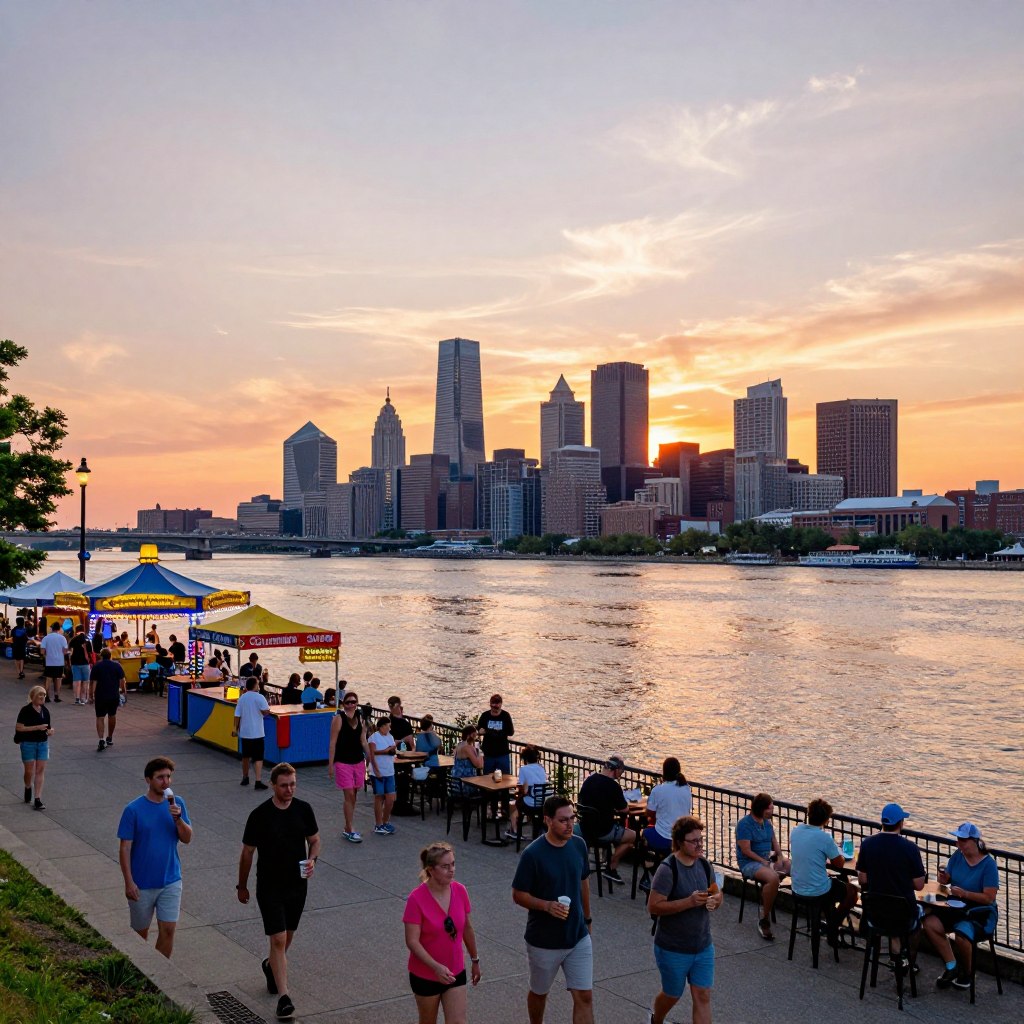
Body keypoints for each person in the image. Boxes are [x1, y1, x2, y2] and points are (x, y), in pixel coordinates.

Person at [238, 763, 320, 1022]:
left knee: (286, 938)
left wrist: (312, 859)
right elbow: (247, 853)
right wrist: (242, 886)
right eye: (284, 785)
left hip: (297, 885)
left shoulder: (303, 809)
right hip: (269, 885)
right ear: (273, 785)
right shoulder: (259, 815)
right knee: (278, 939)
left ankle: (270, 966)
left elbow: (315, 839)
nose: (289, 789)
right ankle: (285, 998)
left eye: (293, 784)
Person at [512, 795, 593, 1024]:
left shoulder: (579, 845)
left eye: (572, 818)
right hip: (544, 940)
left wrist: (587, 919)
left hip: (577, 936)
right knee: (539, 993)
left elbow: (583, 882)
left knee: (585, 996)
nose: (570, 825)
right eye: (563, 820)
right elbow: (518, 895)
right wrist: (546, 906)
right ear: (548, 820)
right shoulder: (533, 854)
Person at [647, 815, 722, 1024]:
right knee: (672, 994)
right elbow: (653, 906)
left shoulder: (705, 865)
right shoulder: (667, 869)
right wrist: (688, 902)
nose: (699, 845)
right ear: (680, 842)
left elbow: (716, 892)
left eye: (701, 839)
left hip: (703, 945)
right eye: (694, 841)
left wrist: (715, 900)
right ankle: (656, 1019)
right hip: (673, 948)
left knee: (702, 996)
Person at [117, 756, 193, 958]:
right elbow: (125, 848)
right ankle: (139, 974)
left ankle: (161, 974)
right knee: (139, 935)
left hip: (171, 880)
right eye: (160, 777)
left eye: (168, 777)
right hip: (141, 884)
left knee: (168, 930)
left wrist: (178, 820)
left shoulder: (177, 804)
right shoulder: (133, 810)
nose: (166, 782)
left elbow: (187, 838)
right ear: (148, 780)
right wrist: (128, 882)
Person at [404, 842, 480, 1024]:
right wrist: (436, 967)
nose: (451, 870)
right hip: (425, 974)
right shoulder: (416, 899)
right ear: (431, 869)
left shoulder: (460, 890)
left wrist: (475, 959)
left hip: (455, 970)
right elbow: (412, 942)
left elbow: (467, 928)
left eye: (453, 864)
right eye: (445, 866)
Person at [924, 822, 999, 990]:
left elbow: (989, 898)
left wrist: (965, 894)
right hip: (956, 905)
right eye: (958, 840)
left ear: (975, 841)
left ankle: (968, 972)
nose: (959, 843)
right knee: (929, 923)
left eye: (963, 840)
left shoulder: (989, 865)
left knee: (961, 934)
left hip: (980, 912)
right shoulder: (958, 856)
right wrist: (944, 879)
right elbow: (948, 878)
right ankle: (952, 966)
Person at [855, 802, 926, 962]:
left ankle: (895, 954)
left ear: (882, 823)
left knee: (892, 921)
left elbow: (862, 879)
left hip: (876, 913)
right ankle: (909, 961)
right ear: (900, 823)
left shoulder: (867, 844)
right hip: (903, 914)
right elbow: (919, 885)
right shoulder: (910, 848)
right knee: (918, 921)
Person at [789, 798, 859, 948]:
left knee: (834, 886)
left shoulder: (796, 831)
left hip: (797, 887)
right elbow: (839, 864)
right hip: (818, 891)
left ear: (809, 814)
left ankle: (831, 926)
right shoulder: (824, 838)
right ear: (826, 820)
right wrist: (835, 850)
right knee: (852, 891)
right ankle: (832, 925)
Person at [735, 792, 791, 940]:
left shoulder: (767, 823)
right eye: (770, 809)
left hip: (767, 858)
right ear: (761, 809)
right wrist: (764, 862)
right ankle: (764, 918)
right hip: (750, 862)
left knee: (791, 866)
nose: (772, 812)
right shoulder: (744, 825)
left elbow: (775, 842)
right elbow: (746, 850)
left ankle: (769, 891)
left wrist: (780, 857)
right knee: (773, 878)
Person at [578, 755, 636, 885]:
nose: (620, 775)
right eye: (621, 771)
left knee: (613, 827)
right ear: (615, 770)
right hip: (602, 832)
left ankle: (604, 859)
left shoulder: (589, 780)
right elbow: (624, 810)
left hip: (585, 828)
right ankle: (611, 867)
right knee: (632, 835)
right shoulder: (613, 786)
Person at [327, 690, 370, 843]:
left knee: (355, 794)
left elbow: (363, 740)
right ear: (343, 704)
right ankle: (349, 827)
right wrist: (330, 764)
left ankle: (348, 826)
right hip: (342, 761)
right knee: (349, 794)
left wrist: (369, 756)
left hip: (358, 760)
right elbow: (332, 742)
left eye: (354, 702)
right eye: (348, 702)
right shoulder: (338, 719)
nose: (351, 705)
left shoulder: (361, 719)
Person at [643, 757, 693, 855]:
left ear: (664, 772)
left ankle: (650, 863)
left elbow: (649, 813)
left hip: (664, 837)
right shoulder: (686, 789)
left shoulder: (658, 790)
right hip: (680, 837)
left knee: (645, 832)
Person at [15, 685, 53, 810]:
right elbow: (19, 728)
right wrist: (36, 727)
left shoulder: (45, 711)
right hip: (28, 743)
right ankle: (27, 786)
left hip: (43, 743)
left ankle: (37, 799)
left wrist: (50, 731)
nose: (42, 697)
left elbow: (48, 727)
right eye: (39, 695)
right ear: (32, 697)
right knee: (29, 771)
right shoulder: (25, 710)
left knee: (40, 770)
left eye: (44, 695)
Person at [233, 676, 272, 789]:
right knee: (258, 757)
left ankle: (245, 778)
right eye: (258, 684)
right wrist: (266, 711)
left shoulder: (242, 698)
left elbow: (237, 715)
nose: (259, 686)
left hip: (245, 732)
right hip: (257, 732)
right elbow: (265, 712)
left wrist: (235, 729)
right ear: (255, 685)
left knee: (245, 756)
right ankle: (258, 781)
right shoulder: (260, 697)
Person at [90, 648, 127, 751]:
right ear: (110, 656)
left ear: (101, 656)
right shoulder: (117, 666)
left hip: (100, 696)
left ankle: (101, 739)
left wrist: (91, 695)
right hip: (113, 695)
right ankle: (109, 737)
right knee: (112, 715)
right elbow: (122, 680)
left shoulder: (97, 666)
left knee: (100, 717)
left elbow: (94, 682)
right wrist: (123, 691)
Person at [508, 744, 548, 841]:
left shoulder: (524, 769)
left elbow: (521, 787)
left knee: (514, 804)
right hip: (541, 802)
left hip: (531, 804)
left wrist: (519, 792)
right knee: (519, 802)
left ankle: (514, 829)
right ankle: (534, 825)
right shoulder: (541, 768)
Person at [368, 716, 398, 836]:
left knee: (390, 799)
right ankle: (378, 823)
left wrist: (391, 750)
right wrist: (376, 770)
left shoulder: (390, 737)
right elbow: (372, 753)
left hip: (389, 770)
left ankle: (386, 821)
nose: (389, 728)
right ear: (382, 726)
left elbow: (392, 749)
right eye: (387, 726)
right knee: (379, 797)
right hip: (378, 771)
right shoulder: (374, 738)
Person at [476, 693, 514, 775]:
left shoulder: (505, 716)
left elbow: (511, 732)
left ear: (501, 705)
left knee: (504, 777)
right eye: (493, 707)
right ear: (490, 705)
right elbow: (478, 728)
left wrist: (495, 732)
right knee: (487, 777)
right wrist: (480, 730)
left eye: (497, 707)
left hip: (502, 752)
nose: (495, 710)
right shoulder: (485, 715)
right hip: (488, 753)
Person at [40, 620, 68, 703]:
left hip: (49, 662)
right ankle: (57, 696)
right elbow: (65, 651)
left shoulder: (46, 638)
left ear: (51, 628)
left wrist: (46, 655)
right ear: (59, 629)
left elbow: (42, 651)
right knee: (58, 679)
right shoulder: (62, 638)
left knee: (48, 679)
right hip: (59, 662)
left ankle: (47, 696)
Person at [451, 724, 484, 793]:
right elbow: (479, 765)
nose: (476, 738)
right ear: (469, 735)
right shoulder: (468, 748)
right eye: (474, 735)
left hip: (456, 783)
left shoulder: (459, 745)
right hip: (466, 784)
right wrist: (480, 752)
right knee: (484, 790)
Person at [68, 624, 93, 705]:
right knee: (85, 681)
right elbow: (90, 652)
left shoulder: (73, 639)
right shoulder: (87, 639)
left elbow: (70, 652)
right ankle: (83, 699)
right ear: (84, 630)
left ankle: (77, 699)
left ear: (76, 630)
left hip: (75, 663)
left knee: (76, 681)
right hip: (85, 663)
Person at [12, 615, 28, 680]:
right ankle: (21, 671)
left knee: (16, 659)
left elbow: (12, 636)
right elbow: (26, 639)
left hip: (15, 646)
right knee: (21, 659)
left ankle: (18, 672)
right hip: (22, 646)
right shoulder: (24, 630)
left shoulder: (14, 629)